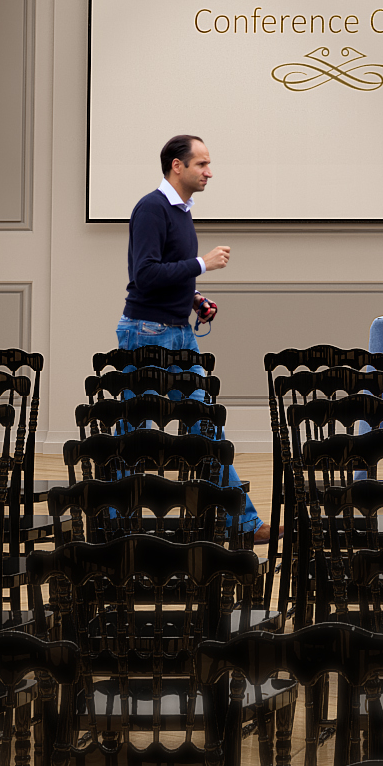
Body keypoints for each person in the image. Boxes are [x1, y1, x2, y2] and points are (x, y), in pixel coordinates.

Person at [122, 134, 262, 540]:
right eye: (201, 163)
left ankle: (243, 524)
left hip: (178, 331)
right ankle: (111, 520)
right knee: (131, 433)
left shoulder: (181, 212)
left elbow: (168, 271)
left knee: (207, 426)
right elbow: (144, 274)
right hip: (148, 332)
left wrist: (195, 298)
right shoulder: (152, 208)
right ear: (177, 166)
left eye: (208, 163)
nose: (209, 172)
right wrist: (202, 263)